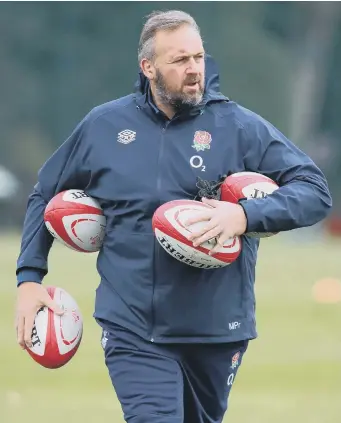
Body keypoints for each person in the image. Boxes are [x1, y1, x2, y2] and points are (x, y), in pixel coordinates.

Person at [16, 10, 332, 423]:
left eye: (198, 57)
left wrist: (244, 215)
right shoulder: (104, 126)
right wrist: (29, 277)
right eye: (180, 60)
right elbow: (45, 192)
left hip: (218, 329)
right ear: (148, 67)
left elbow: (315, 191)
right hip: (132, 326)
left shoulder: (237, 126)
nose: (194, 70)